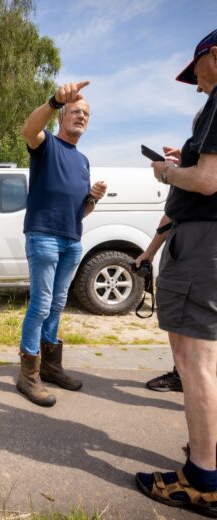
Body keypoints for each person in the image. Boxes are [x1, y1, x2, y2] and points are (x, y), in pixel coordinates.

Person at [135, 29, 217, 517]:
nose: (195, 84)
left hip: (203, 241)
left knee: (194, 360)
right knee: (202, 358)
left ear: (214, 56)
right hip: (203, 239)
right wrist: (182, 161)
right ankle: (205, 459)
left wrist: (168, 172)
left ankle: (203, 479)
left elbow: (207, 181)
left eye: (196, 71)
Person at [17, 81, 107, 407]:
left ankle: (51, 367)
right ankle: (28, 376)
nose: (81, 116)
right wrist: (54, 100)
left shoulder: (82, 161)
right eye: (75, 111)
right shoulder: (47, 145)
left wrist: (93, 200)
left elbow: (80, 212)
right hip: (43, 236)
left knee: (57, 304)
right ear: (62, 117)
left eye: (86, 114)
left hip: (72, 240)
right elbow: (28, 128)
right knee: (40, 305)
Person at [141, 108, 204, 395]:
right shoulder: (191, 172)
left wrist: (168, 172)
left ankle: (190, 381)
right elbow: (171, 215)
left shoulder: (200, 175)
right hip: (187, 246)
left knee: (193, 338)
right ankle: (183, 375)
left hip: (196, 254)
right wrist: (150, 253)